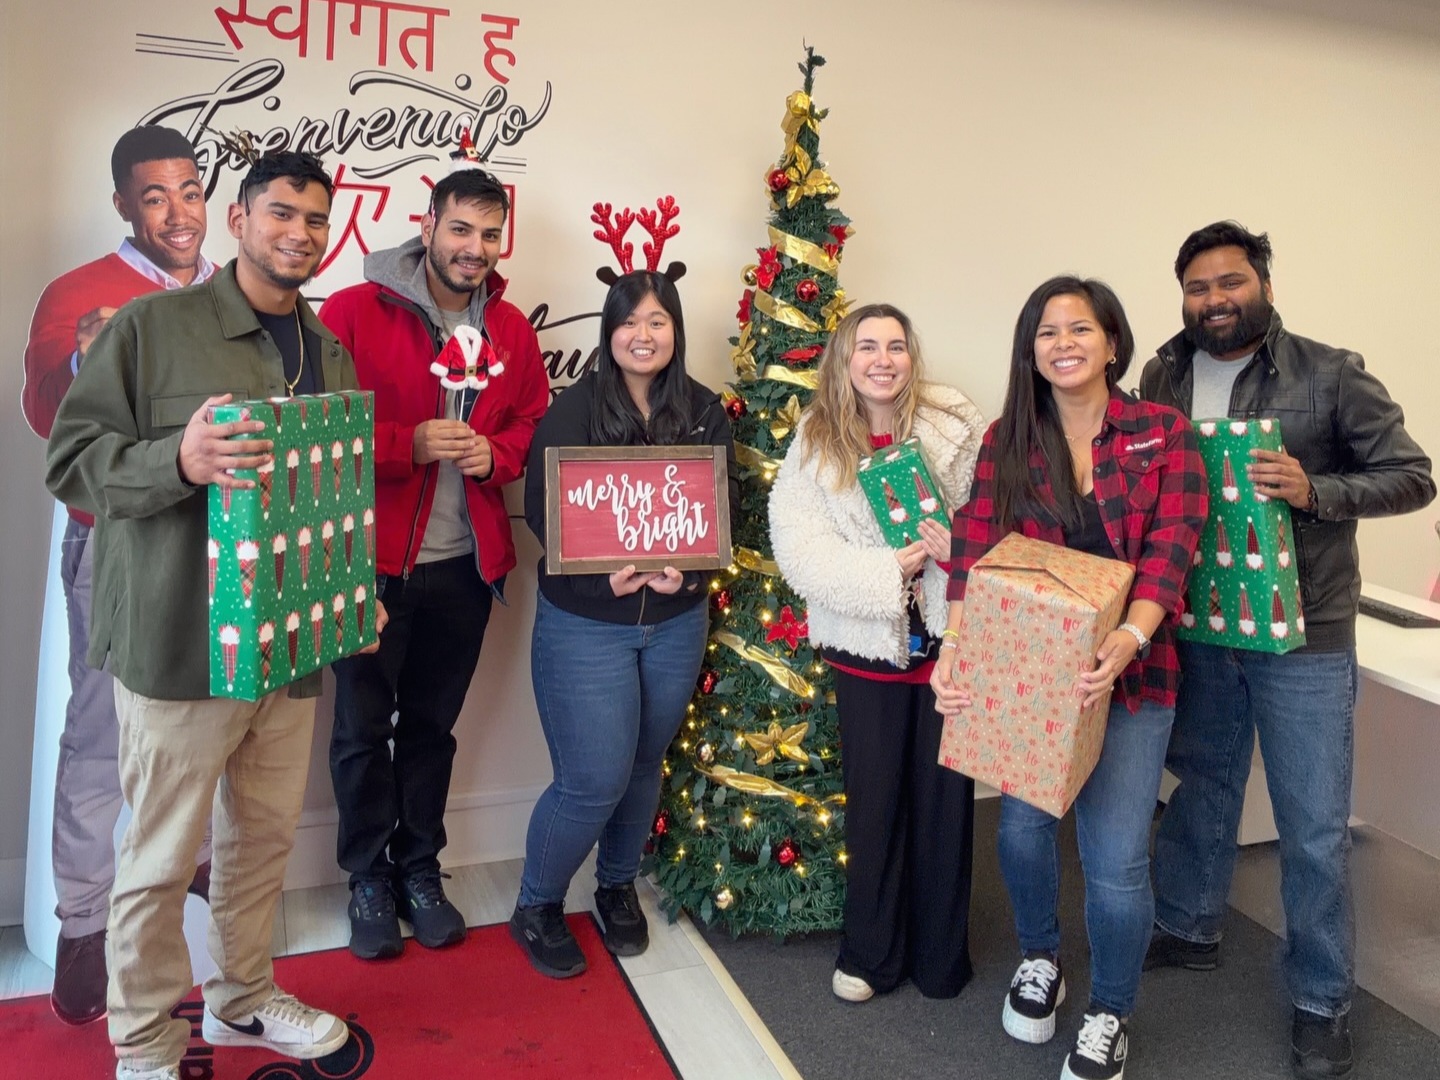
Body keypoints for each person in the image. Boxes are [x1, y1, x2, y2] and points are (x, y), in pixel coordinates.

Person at [46, 150, 386, 1080]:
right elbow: (69, 461)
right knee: (158, 858)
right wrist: (178, 460)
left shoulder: (328, 351)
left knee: (260, 841)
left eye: (315, 219)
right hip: (178, 646)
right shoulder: (151, 328)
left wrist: (353, 596)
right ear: (239, 219)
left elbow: (330, 497)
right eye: (281, 212)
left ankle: (241, 997)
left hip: (288, 648)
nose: (299, 234)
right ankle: (146, 1043)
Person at [1141, 222, 1435, 1080]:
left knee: (1312, 827)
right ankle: (1188, 924)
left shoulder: (1331, 373)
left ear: (1264, 286)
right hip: (1202, 620)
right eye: (1197, 287)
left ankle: (1321, 999)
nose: (1214, 300)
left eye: (1230, 282)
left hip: (1304, 632)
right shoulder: (1163, 373)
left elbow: (1413, 475)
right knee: (1202, 784)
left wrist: (1316, 490)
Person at [933, 277, 1207, 1080]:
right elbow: (975, 546)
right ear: (1031, 351)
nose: (1063, 344)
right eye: (1047, 332)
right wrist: (956, 651)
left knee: (1115, 861)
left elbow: (1173, 547)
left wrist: (1129, 636)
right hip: (1032, 676)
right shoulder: (1008, 439)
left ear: (1112, 342)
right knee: (1021, 831)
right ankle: (1040, 958)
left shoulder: (1163, 433)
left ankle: (1110, 1010)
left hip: (1135, 674)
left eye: (1080, 329)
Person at [318, 166, 547, 961]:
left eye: (489, 234)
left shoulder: (510, 330)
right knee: (359, 731)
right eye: (460, 230)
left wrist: (496, 456)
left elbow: (531, 423)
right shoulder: (352, 311)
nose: (474, 248)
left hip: (464, 571)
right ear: (428, 227)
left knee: (430, 731)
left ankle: (420, 868)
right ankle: (366, 878)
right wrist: (404, 445)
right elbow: (319, 434)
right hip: (370, 565)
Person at [21, 124, 215, 1026]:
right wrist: (81, 359)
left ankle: (198, 875)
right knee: (101, 733)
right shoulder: (77, 294)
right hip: (119, 544)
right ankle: (84, 924)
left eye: (189, 191)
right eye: (154, 196)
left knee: (217, 720)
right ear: (123, 205)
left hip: (223, 541)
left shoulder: (229, 292)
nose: (177, 213)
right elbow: (42, 413)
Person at [510, 269, 735, 978]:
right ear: (610, 331)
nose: (644, 335)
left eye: (658, 321)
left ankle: (615, 887)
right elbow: (545, 510)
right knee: (591, 779)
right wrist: (595, 579)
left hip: (675, 621)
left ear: (675, 330)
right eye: (630, 321)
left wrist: (688, 576)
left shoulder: (703, 410)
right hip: (587, 625)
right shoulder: (574, 410)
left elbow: (719, 508)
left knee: (643, 764)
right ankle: (537, 903)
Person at [768, 304, 985, 1004]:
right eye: (867, 346)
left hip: (949, 647)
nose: (882, 359)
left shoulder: (956, 425)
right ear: (845, 358)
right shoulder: (815, 440)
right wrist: (887, 569)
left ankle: (940, 956)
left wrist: (959, 546)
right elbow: (798, 548)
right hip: (868, 652)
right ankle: (871, 954)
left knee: (946, 808)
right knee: (877, 804)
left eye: (895, 346)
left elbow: (998, 516)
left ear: (911, 356)